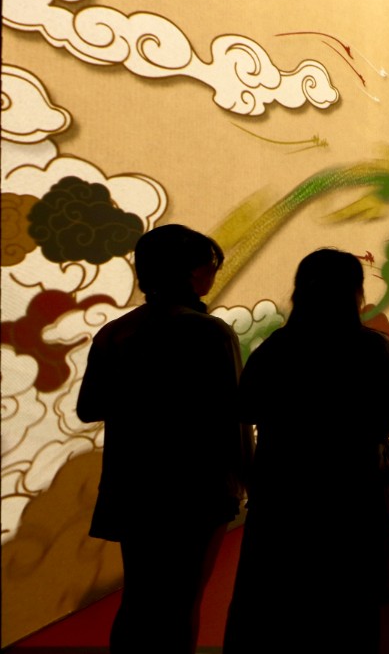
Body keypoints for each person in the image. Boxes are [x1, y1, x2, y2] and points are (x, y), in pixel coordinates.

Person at [223, 249, 389, 653]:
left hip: (283, 492)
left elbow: (247, 408)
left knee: (282, 603)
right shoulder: (372, 349)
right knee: (357, 604)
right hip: (358, 491)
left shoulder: (275, 349)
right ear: (355, 292)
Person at [77, 224, 251, 653]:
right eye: (211, 265)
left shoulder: (116, 332)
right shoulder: (211, 333)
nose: (213, 273)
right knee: (182, 602)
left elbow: (89, 407)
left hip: (132, 487)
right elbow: (234, 416)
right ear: (191, 273)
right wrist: (249, 480)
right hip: (199, 490)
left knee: (139, 599)